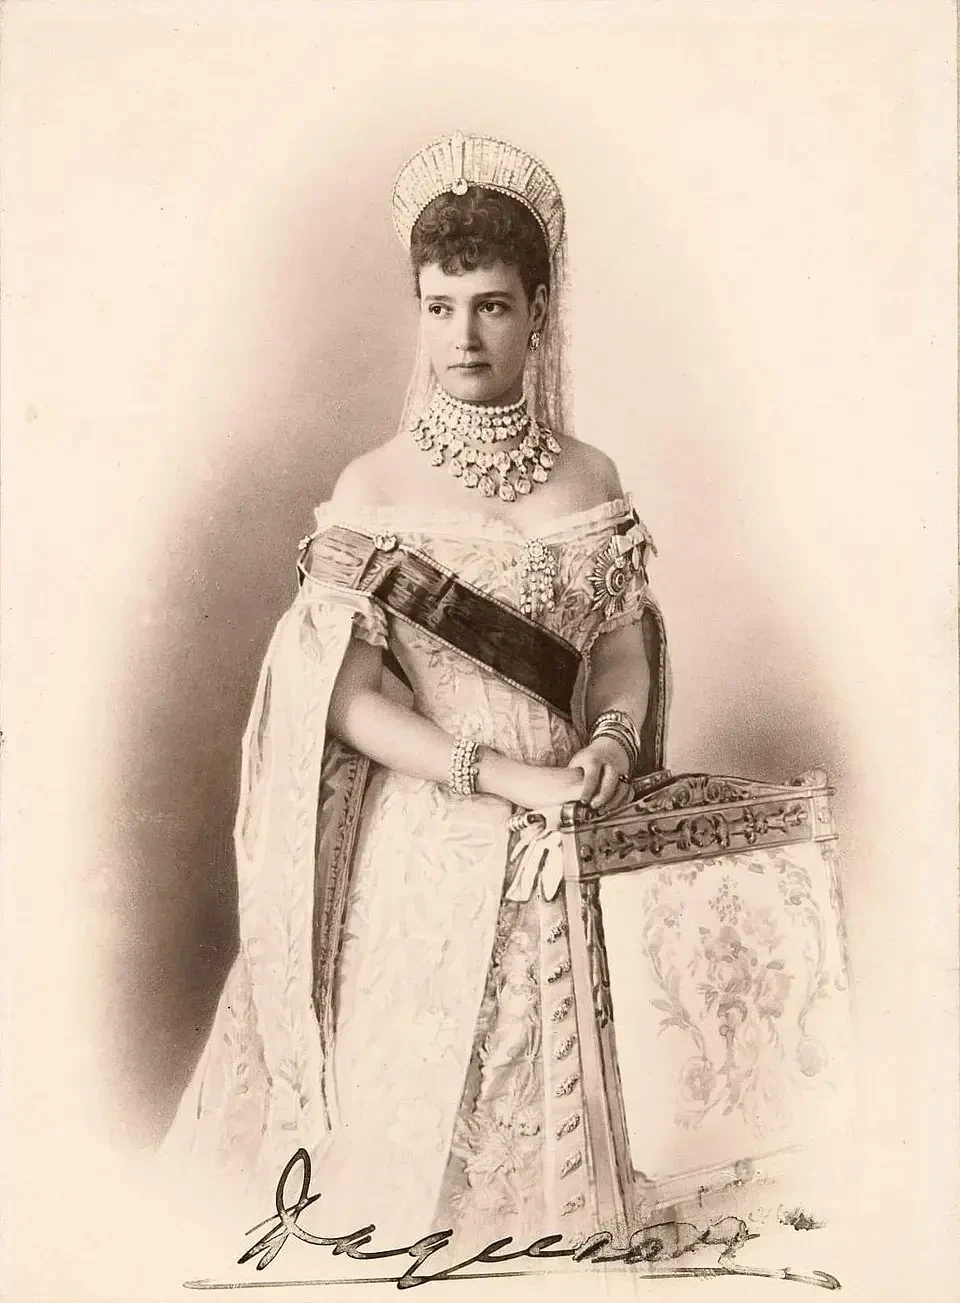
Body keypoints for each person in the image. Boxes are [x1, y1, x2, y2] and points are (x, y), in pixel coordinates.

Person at [163, 132, 669, 1254]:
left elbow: (622, 641)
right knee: (409, 1182)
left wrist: (610, 738)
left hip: (568, 833)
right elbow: (343, 702)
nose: (463, 337)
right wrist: (507, 775)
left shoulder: (592, 477)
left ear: (538, 312)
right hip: (424, 849)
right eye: (439, 307)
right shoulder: (375, 488)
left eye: (491, 307)